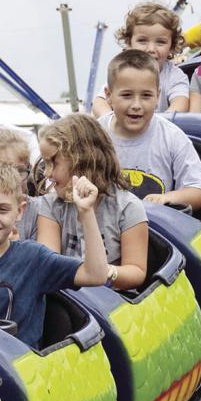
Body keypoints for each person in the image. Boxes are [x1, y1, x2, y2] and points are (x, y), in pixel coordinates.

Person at [0, 161, 110, 348]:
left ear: (20, 211)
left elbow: (95, 275)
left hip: (18, 370)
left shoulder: (33, 258)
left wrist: (86, 212)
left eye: (2, 209)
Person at [37, 114, 149, 290]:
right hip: (70, 299)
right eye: (45, 163)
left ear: (83, 160)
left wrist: (104, 273)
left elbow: (137, 272)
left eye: (54, 163)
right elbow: (49, 263)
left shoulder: (128, 207)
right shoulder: (51, 205)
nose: (46, 173)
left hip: (114, 301)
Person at [97, 49, 201, 212]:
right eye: (127, 95)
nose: (136, 105)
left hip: (155, 229)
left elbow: (200, 191)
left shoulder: (172, 137)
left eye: (146, 96)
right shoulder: (93, 135)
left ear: (157, 96)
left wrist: (168, 198)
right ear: (109, 95)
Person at [92, 1, 190, 116]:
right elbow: (99, 102)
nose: (151, 49)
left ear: (172, 46)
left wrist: (159, 123)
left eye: (160, 42)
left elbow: (180, 104)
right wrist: (110, 119)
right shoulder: (122, 71)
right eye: (142, 41)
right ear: (129, 42)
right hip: (125, 129)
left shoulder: (174, 76)